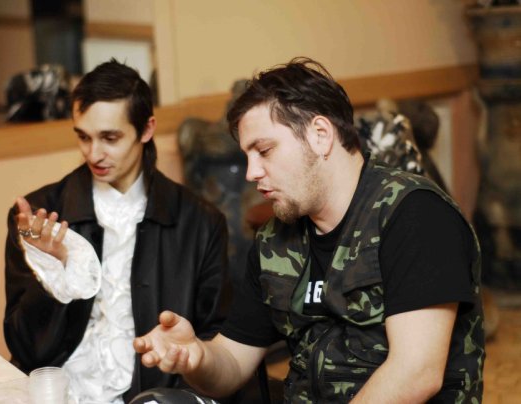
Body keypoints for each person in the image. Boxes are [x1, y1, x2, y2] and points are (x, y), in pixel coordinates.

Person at [133, 58, 485, 403]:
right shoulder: (274, 241)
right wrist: (196, 357)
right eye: (247, 156)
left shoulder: (414, 214)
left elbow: (416, 373)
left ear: (320, 135)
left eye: (264, 150)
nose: (251, 173)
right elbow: (233, 364)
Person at [3, 59, 229, 403]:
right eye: (83, 137)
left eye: (110, 138)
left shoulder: (200, 223)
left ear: (146, 129)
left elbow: (215, 344)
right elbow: (25, 350)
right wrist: (51, 273)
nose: (94, 154)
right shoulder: (39, 218)